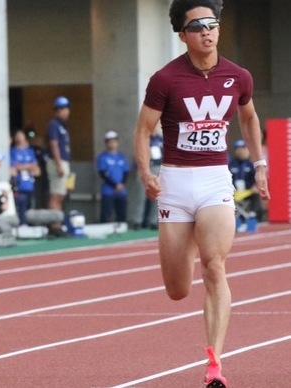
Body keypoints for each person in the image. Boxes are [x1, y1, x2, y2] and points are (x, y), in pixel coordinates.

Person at [132, 1, 270, 386]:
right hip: (175, 183)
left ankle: (214, 366)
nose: (207, 31)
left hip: (214, 180)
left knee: (214, 265)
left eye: (213, 24)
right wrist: (146, 173)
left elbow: (249, 117)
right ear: (182, 35)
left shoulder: (238, 76)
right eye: (198, 26)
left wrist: (260, 166)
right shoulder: (165, 79)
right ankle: (186, 239)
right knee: (177, 290)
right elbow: (143, 130)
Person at [46, 96, 72, 236]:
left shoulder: (63, 126)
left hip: (63, 161)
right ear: (59, 110)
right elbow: (54, 144)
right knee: (56, 195)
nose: (67, 112)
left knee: (61, 194)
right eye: (65, 109)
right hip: (58, 162)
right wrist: (58, 164)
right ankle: (54, 225)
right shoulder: (54, 124)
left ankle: (58, 222)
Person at [132, 131, 163, 229]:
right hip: (146, 167)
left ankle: (154, 221)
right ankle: (137, 221)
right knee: (141, 196)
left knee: (157, 195)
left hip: (158, 167)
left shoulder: (160, 139)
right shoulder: (143, 137)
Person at [97, 131, 130, 223]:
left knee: (121, 215)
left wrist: (121, 185)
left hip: (121, 191)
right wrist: (115, 185)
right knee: (106, 214)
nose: (112, 143)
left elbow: (126, 172)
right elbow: (102, 174)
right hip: (108, 190)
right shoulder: (103, 157)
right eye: (110, 141)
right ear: (106, 143)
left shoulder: (121, 157)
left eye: (114, 141)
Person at [10, 129, 40, 225]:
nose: (19, 137)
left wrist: (23, 167)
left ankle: (30, 224)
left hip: (30, 184)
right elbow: (15, 167)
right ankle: (22, 223)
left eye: (21, 135)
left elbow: (37, 170)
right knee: (20, 204)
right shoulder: (12, 151)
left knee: (30, 205)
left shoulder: (30, 151)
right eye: (17, 135)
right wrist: (28, 166)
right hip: (19, 184)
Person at [228, 139, 262, 219]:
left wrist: (255, 186)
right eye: (238, 149)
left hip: (248, 191)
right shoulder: (231, 164)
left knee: (256, 195)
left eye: (243, 149)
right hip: (234, 192)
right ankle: (234, 219)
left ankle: (252, 215)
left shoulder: (251, 164)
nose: (241, 151)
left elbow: (257, 177)